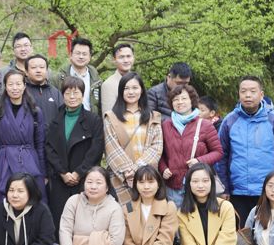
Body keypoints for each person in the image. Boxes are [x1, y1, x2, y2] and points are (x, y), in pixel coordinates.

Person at [217, 76, 274, 222]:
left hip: (269, 190)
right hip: (238, 191)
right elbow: (221, 156)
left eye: (253, 91)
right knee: (242, 231)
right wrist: (223, 188)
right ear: (239, 94)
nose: (248, 95)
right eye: (243, 91)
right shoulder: (230, 120)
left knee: (267, 229)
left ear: (261, 94)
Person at [45, 76, 104, 230]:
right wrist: (63, 173)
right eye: (68, 93)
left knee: (83, 222)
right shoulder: (56, 120)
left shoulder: (93, 120)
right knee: (60, 221)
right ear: (62, 95)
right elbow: (49, 148)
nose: (72, 97)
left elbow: (96, 149)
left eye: (76, 93)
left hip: (84, 179)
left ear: (83, 95)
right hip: (60, 179)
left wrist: (78, 173)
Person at [159, 84, 222, 208]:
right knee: (177, 218)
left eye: (184, 98)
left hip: (199, 185)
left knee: (199, 218)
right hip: (174, 186)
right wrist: (163, 168)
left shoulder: (205, 125)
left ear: (192, 101)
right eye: (175, 99)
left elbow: (218, 152)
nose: (180, 102)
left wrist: (199, 161)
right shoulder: (165, 125)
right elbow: (160, 153)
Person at [103, 72, 162, 205]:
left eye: (135, 88)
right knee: (125, 212)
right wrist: (127, 171)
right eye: (126, 88)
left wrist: (137, 169)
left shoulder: (153, 116)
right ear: (121, 91)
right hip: (121, 177)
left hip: (147, 175)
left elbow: (156, 146)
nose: (131, 92)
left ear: (142, 90)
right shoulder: (111, 117)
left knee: (147, 210)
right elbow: (111, 146)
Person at [0, 70, 46, 205]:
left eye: (18, 84)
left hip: (29, 159)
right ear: (5, 86)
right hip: (4, 160)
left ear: (24, 86)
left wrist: (43, 171)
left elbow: (40, 143)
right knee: (4, 200)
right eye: (10, 84)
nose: (14, 88)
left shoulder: (35, 111)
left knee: (31, 200)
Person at [50, 37, 101, 112]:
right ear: (71, 55)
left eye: (84, 54)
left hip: (91, 118)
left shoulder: (96, 79)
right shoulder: (58, 79)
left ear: (90, 57)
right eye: (78, 53)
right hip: (66, 117)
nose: (81, 57)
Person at [25, 54, 63, 126]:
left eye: (42, 67)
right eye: (33, 67)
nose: (38, 70)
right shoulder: (21, 92)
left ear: (47, 71)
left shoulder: (56, 93)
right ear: (26, 72)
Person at [100, 43, 134, 115]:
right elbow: (108, 116)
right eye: (121, 57)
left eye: (128, 56)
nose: (126, 60)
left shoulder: (137, 81)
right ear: (114, 60)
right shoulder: (108, 85)